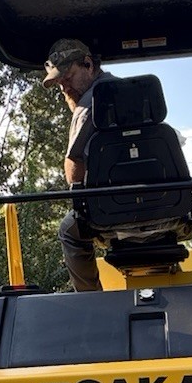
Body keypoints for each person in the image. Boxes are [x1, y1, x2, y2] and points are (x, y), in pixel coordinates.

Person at [44, 38, 118, 292]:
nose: (64, 86)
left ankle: (92, 301)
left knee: (69, 229)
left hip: (113, 208)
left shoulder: (88, 105)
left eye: (68, 76)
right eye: (59, 82)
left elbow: (74, 175)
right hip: (163, 201)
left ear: (88, 64)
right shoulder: (133, 91)